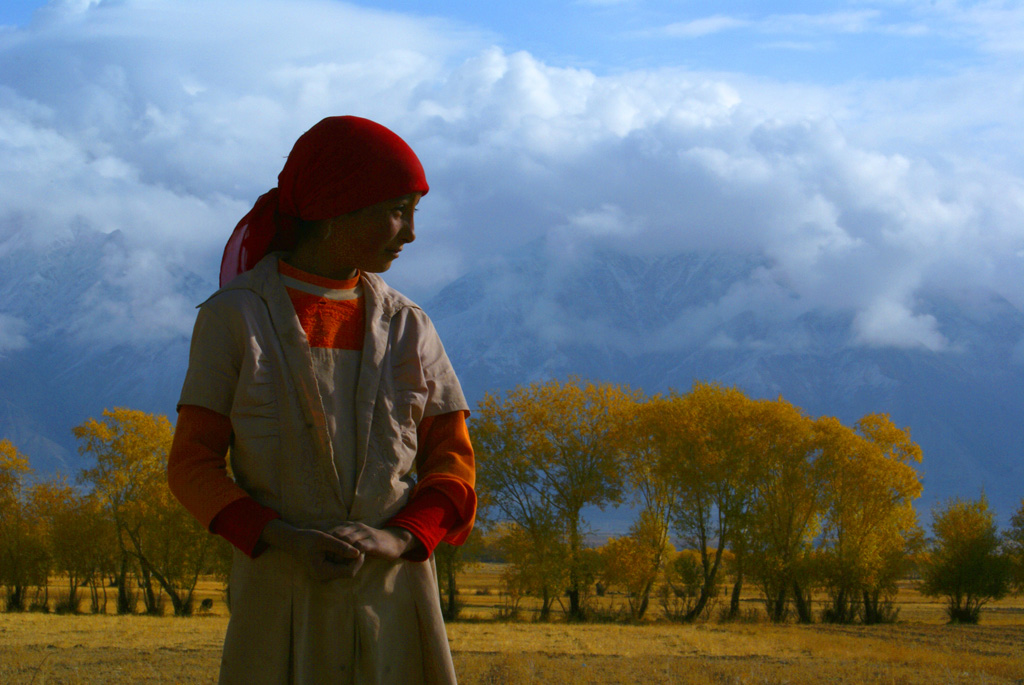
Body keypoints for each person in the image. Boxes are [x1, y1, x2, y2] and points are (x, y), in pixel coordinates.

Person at [167, 116, 475, 684]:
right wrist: (281, 537)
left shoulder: (410, 327)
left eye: (413, 212)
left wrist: (399, 536)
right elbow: (191, 465)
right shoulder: (234, 319)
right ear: (337, 207)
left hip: (395, 599)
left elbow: (453, 466)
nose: (410, 233)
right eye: (398, 210)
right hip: (277, 600)